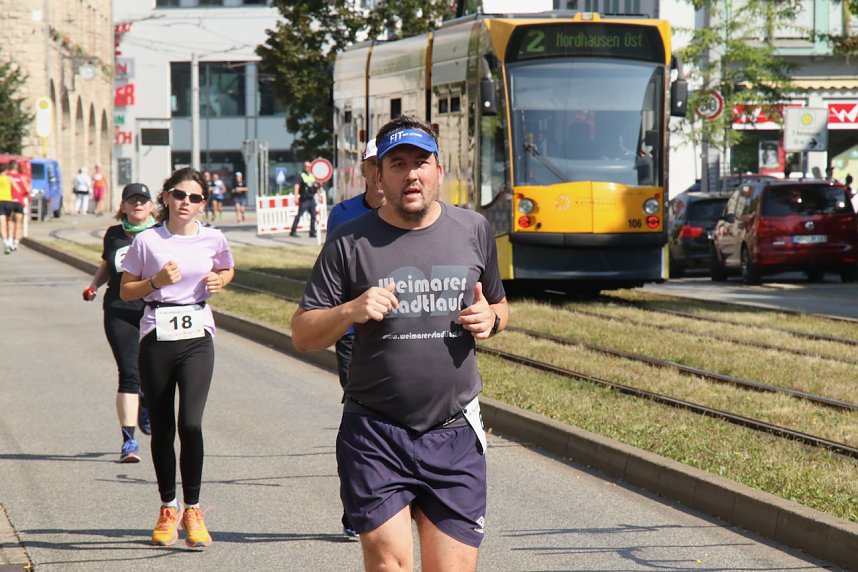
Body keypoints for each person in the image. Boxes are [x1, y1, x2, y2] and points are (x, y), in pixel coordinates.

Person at [291, 115, 509, 572]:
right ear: (378, 175)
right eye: (398, 164)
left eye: (421, 162)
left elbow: (500, 306)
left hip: (454, 431)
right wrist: (350, 310)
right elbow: (302, 333)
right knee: (390, 563)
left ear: (438, 170)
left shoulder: (473, 230)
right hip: (376, 432)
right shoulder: (349, 241)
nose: (411, 174)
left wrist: (490, 318)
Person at [120, 167, 235, 548]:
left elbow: (226, 266)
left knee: (191, 423)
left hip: (197, 335)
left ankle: (193, 509)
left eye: (196, 198)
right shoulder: (148, 241)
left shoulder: (213, 237)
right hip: (157, 336)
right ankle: (168, 508)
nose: (187, 203)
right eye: (180, 195)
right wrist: (155, 282)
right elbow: (126, 292)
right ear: (166, 196)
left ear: (204, 203)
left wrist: (221, 280)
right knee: (164, 427)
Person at [324, 137, 385, 539]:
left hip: (405, 330)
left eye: (389, 163)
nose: (381, 171)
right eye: (374, 164)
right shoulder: (342, 214)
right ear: (363, 170)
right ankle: (357, 506)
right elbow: (331, 273)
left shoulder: (418, 213)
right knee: (362, 413)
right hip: (353, 333)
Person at [83, 183, 156, 462]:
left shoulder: (160, 234)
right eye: (132, 201)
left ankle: (146, 401)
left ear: (151, 206)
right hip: (119, 309)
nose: (138, 205)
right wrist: (93, 286)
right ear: (123, 207)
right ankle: (129, 443)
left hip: (152, 310)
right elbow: (107, 264)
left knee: (149, 371)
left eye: (142, 200)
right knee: (128, 371)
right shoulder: (114, 234)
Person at [289, 161, 318, 238]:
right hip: (304, 199)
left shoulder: (312, 176)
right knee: (299, 215)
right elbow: (297, 186)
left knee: (314, 216)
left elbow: (316, 186)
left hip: (311, 198)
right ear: (303, 167)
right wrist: (295, 197)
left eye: (309, 167)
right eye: (306, 166)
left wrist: (319, 194)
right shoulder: (300, 176)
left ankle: (312, 232)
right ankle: (293, 231)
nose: (307, 168)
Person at [6, 160, 30, 251]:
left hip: (9, 201)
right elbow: (27, 189)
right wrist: (23, 194)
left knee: (10, 222)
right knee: (18, 223)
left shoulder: (7, 177)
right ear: (17, 168)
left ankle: (10, 239)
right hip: (19, 202)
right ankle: (16, 242)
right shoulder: (22, 177)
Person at [0, 164, 14, 254]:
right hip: (9, 202)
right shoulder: (9, 178)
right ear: (6, 171)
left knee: (2, 224)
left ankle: (5, 242)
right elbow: (17, 189)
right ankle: (10, 240)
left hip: (0, 202)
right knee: (10, 222)